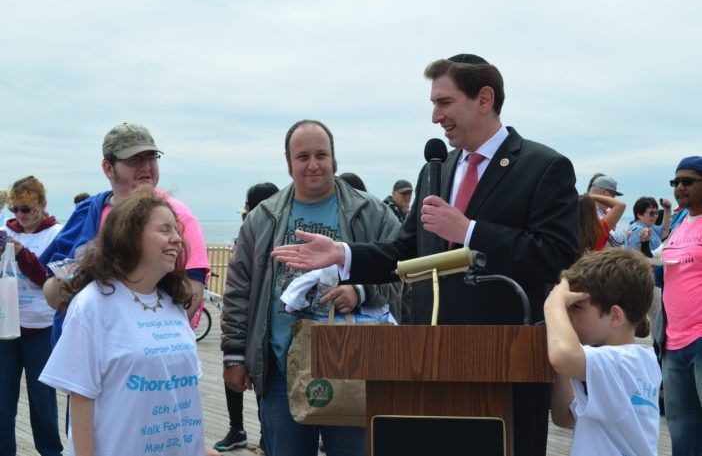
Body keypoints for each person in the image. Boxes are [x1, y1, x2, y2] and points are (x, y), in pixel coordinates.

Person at [271, 54, 579, 456]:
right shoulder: (437, 169)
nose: (436, 116)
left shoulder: (543, 166)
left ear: (484, 99)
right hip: (431, 363)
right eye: (434, 104)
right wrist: (342, 255)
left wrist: (469, 231)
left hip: (507, 366)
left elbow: (556, 255)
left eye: (445, 102)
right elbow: (405, 252)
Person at [221, 119, 402, 456]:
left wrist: (360, 292)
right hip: (280, 372)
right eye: (302, 156)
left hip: (357, 369)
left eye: (322, 154)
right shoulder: (264, 218)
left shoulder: (373, 213)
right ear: (288, 163)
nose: (313, 164)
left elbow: (407, 277)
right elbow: (238, 288)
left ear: (335, 159)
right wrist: (234, 355)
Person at [39, 190, 219, 456]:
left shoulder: (172, 303)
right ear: (131, 237)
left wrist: (199, 447)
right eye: (165, 229)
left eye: (177, 230)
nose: (177, 239)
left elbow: (179, 393)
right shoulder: (93, 304)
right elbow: (80, 396)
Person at [41, 123, 209, 344]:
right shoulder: (87, 212)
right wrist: (68, 280)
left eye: (151, 157)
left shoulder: (178, 216)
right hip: (83, 346)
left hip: (147, 348)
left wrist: (148, 341)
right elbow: (52, 294)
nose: (146, 167)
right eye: (134, 159)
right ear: (108, 168)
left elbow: (193, 290)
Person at [546, 249, 660, 456]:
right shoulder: (642, 360)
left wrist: (553, 304)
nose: (567, 315)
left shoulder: (619, 363)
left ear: (615, 316)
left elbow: (562, 356)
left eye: (576, 307)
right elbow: (565, 417)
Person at [0, 176, 63, 456]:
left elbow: (46, 279)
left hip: (41, 329)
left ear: (42, 205)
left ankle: (50, 451)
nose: (20, 216)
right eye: (14, 209)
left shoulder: (57, 234)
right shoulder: (4, 231)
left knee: (43, 402)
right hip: (6, 328)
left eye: (26, 209)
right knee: (2, 401)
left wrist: (22, 253)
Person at [214, 182, 279, 453]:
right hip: (250, 320)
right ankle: (248, 432)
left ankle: (250, 431)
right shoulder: (254, 230)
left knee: (260, 380)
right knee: (241, 374)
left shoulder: (253, 231)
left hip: (259, 322)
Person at [660, 156, 702, 455]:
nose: (679, 188)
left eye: (687, 181)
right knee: (681, 427)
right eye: (675, 182)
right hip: (673, 340)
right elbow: (658, 263)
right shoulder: (678, 222)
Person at [588, 174, 627, 247]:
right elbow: (615, 241)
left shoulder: (597, 210)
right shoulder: (592, 211)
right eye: (613, 195)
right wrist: (627, 233)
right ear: (604, 192)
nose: (613, 199)